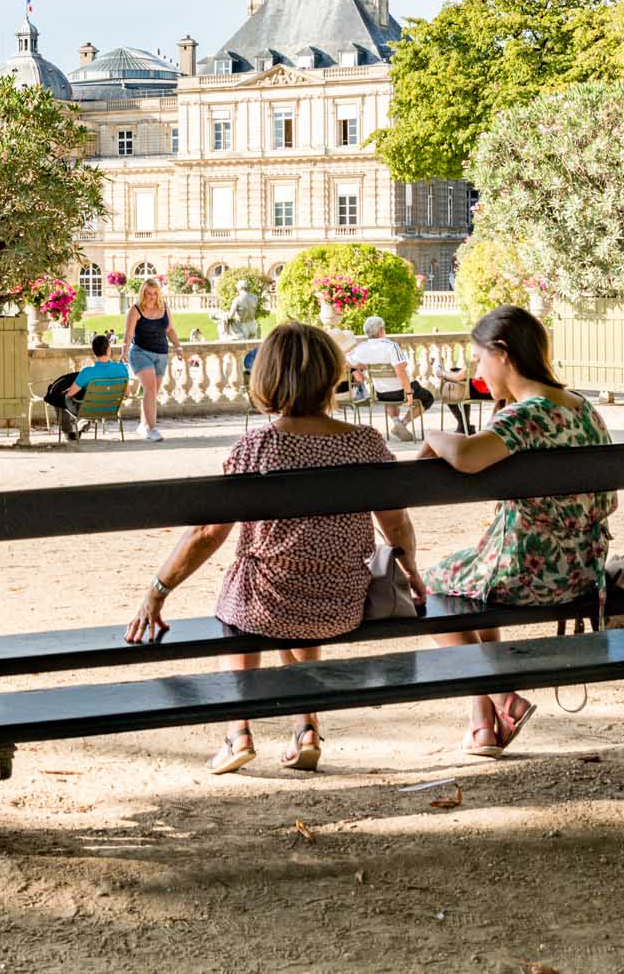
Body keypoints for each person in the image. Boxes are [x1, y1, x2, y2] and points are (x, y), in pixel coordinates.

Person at [126, 322, 422, 774]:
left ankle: (237, 730)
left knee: (250, 584)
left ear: (266, 379)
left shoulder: (257, 446)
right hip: (341, 601)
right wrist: (412, 571)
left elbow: (209, 533)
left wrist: (157, 590)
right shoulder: (366, 442)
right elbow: (396, 522)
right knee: (297, 578)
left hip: (269, 604)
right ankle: (306, 725)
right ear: (331, 375)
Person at [419, 307, 616, 758]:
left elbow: (466, 457)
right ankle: (483, 725)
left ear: (502, 353)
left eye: (479, 358)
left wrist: (434, 436)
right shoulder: (581, 408)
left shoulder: (528, 414)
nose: (477, 370)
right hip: (584, 570)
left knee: (432, 592)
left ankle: (504, 694)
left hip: (528, 574)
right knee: (472, 589)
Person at [345, 315, 434, 441]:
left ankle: (396, 422)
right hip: (401, 391)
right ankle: (402, 424)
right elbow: (401, 372)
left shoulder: (361, 348)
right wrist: (408, 393)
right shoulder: (391, 346)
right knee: (428, 398)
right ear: (381, 330)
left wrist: (360, 367)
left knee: (388, 395)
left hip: (382, 394)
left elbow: (346, 362)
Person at [124, 279, 186, 441]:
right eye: (148, 293)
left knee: (151, 393)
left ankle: (143, 425)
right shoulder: (136, 310)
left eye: (154, 293)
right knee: (150, 390)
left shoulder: (164, 308)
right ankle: (152, 429)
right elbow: (129, 334)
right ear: (143, 293)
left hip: (161, 354)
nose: (152, 297)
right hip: (140, 353)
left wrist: (178, 347)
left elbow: (170, 329)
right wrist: (124, 351)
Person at [42, 333, 128, 439]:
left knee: (59, 398)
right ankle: (84, 422)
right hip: (111, 409)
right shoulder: (122, 369)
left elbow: (70, 394)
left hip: (90, 410)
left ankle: (69, 432)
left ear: (94, 351)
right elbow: (127, 393)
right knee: (84, 396)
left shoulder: (87, 372)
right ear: (109, 349)